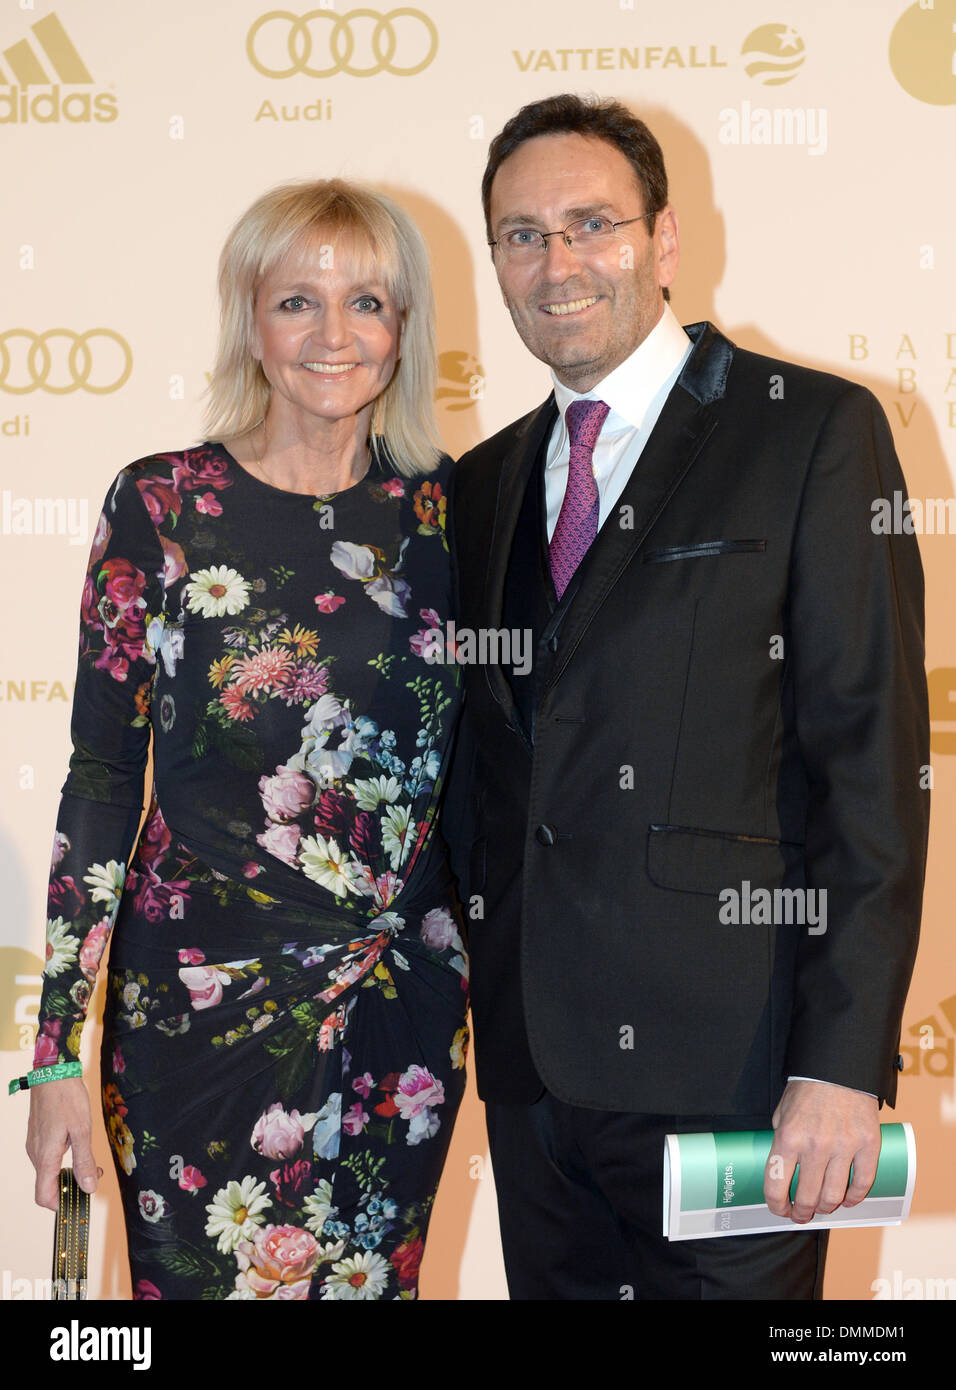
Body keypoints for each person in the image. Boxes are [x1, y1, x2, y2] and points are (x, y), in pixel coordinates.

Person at [443, 93, 929, 1300]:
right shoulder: (484, 481)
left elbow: (869, 763)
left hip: (739, 1083)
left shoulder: (808, 431)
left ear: (663, 241)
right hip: (536, 1090)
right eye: (520, 234)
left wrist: (838, 1067)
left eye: (590, 224)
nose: (555, 264)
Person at [18, 178, 469, 1301]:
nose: (333, 335)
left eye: (367, 300)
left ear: (404, 327)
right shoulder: (163, 507)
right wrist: (54, 1056)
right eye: (296, 301)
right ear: (247, 320)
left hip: (396, 1007)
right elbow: (102, 776)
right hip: (193, 1011)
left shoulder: (452, 517)